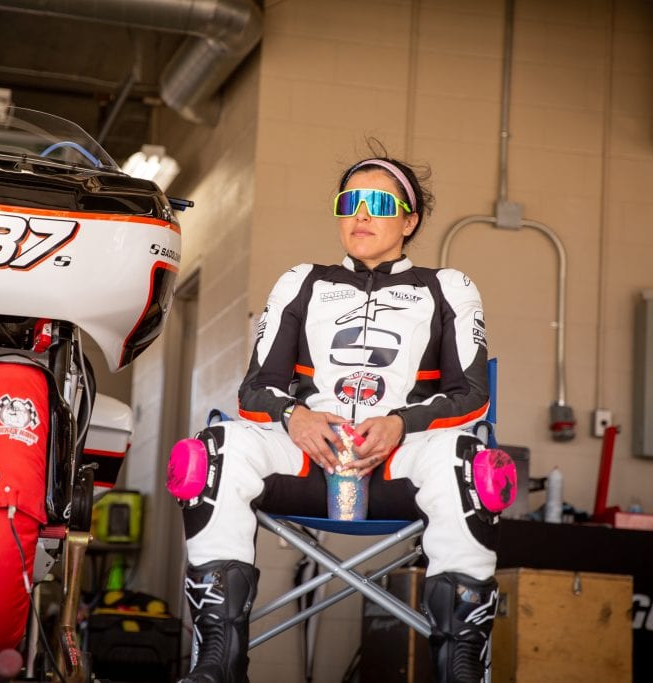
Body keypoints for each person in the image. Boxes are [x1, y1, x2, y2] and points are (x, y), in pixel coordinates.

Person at [173, 152, 512, 683]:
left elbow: (471, 395)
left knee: (472, 464)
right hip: (308, 458)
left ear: (410, 220)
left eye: (378, 203)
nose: (360, 214)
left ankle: (461, 665)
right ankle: (218, 657)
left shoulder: (449, 287)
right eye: (349, 202)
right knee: (211, 452)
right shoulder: (301, 282)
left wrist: (401, 423)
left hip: (402, 464)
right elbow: (254, 390)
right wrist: (295, 417)